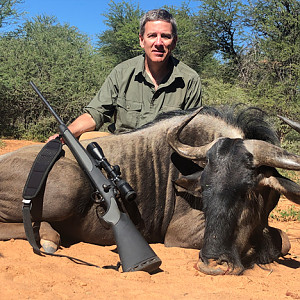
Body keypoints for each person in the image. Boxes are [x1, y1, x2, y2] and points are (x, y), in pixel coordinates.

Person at [47, 9, 202, 142]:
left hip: (165, 158)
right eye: (152, 35)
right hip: (124, 153)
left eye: (165, 36)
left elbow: (193, 132)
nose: (158, 43)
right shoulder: (122, 72)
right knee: (84, 140)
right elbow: (95, 114)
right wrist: (66, 133)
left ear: (173, 42)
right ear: (142, 40)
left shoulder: (189, 79)